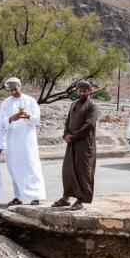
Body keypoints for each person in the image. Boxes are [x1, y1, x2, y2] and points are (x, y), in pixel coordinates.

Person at [0, 77, 46, 206]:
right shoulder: (5, 103)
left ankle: (35, 196)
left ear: (20, 86)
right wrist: (11, 118)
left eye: (15, 89)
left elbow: (37, 119)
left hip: (27, 140)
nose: (14, 92)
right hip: (12, 140)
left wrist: (28, 116)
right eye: (11, 90)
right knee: (15, 167)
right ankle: (18, 196)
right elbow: (2, 121)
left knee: (31, 166)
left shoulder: (30, 101)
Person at [53, 80, 97, 211]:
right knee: (68, 171)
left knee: (83, 172)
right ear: (77, 91)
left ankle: (81, 200)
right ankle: (66, 198)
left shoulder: (92, 106)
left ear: (89, 92)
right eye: (80, 90)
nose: (82, 93)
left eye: (85, 91)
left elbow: (89, 124)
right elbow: (68, 121)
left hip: (84, 144)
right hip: (72, 143)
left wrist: (74, 136)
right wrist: (66, 134)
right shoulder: (74, 103)